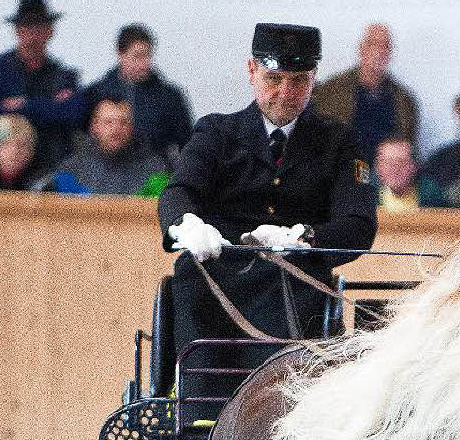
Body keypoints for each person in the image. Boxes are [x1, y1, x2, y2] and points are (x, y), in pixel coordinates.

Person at [158, 22, 377, 371]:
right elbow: (180, 191)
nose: (285, 92)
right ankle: (197, 416)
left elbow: (358, 224)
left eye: (298, 81)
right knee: (191, 289)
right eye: (274, 80)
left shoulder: (339, 142)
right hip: (216, 276)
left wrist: (302, 239)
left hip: (296, 281)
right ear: (251, 71)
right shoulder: (217, 132)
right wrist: (186, 225)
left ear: (314, 78)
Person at [0, 0, 87, 178]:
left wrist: (24, 105)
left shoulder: (64, 76)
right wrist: (50, 106)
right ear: (17, 31)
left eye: (38, 29)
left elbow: (74, 113)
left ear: (50, 32)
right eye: (26, 28)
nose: (32, 36)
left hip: (47, 168)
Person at [89, 24, 194, 168]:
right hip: (103, 178)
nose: (145, 64)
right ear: (121, 55)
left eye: (148, 56)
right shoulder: (97, 93)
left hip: (155, 178)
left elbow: (187, 145)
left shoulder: (170, 97)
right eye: (138, 56)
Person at [310, 24, 419, 162]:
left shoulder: (405, 102)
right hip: (339, 174)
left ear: (390, 53)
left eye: (385, 46)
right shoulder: (329, 92)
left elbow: (408, 154)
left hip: (385, 179)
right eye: (373, 44)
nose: (379, 51)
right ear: (361, 48)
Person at [41, 95, 169, 195]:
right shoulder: (71, 171)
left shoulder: (155, 170)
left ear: (131, 128)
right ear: (95, 126)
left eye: (123, 122)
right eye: (108, 122)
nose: (116, 129)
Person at [374, 137, 447, 210]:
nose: (394, 169)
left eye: (401, 162)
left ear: (414, 166)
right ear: (378, 167)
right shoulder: (366, 198)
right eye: (388, 162)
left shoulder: (432, 198)